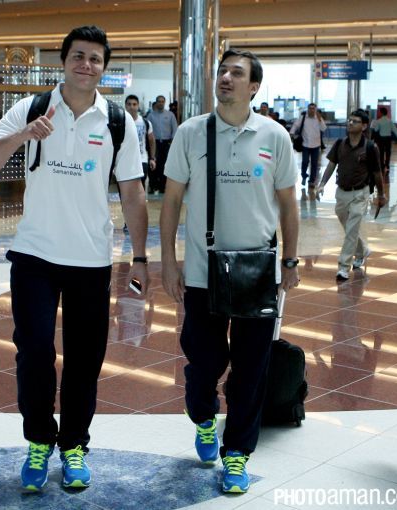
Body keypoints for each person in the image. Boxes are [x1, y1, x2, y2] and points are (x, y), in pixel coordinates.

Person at [0, 25, 149, 492]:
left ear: (104, 67)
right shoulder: (32, 108)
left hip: (90, 259)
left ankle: (74, 445)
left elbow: (133, 192)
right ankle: (38, 441)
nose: (85, 65)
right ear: (63, 61)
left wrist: (140, 256)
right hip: (34, 256)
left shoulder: (118, 121)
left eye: (95, 58)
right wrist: (24, 134)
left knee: (85, 359)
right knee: (33, 352)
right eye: (77, 56)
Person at [159, 48, 300, 494]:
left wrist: (290, 260)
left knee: (251, 368)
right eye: (222, 71)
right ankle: (203, 415)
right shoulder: (191, 132)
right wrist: (168, 261)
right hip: (203, 271)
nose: (226, 78)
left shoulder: (274, 136)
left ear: (253, 86)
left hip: (256, 270)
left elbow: (288, 204)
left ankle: (236, 452)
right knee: (204, 362)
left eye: (237, 73)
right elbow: (172, 200)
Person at [316, 109, 386, 282]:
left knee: (351, 229)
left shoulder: (370, 147)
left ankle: (343, 267)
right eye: (349, 120)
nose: (350, 123)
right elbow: (331, 165)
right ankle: (362, 250)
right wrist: (322, 183)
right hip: (341, 192)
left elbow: (377, 173)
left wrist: (381, 195)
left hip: (360, 193)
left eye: (355, 121)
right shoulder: (340, 144)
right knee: (349, 228)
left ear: (364, 126)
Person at [289, 102, 327, 192]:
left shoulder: (318, 118)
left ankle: (312, 181)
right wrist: (291, 133)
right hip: (305, 144)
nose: (311, 110)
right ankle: (304, 175)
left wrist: (320, 119)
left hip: (316, 145)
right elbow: (296, 125)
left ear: (315, 110)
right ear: (308, 109)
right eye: (310, 108)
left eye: (313, 109)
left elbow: (323, 128)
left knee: (314, 164)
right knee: (305, 162)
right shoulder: (303, 117)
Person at [147, 94, 178, 194]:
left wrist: (172, 142)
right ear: (156, 103)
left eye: (162, 101)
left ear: (164, 103)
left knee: (165, 165)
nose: (161, 103)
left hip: (166, 143)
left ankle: (162, 186)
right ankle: (153, 186)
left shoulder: (170, 115)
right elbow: (147, 130)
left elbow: (175, 129)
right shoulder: (151, 116)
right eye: (159, 101)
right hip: (155, 143)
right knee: (153, 164)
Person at [125, 94, 156, 188]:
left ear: (138, 106)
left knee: (140, 186)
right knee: (126, 187)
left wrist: (152, 158)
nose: (131, 107)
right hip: (125, 159)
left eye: (134, 104)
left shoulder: (145, 122)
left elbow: (151, 141)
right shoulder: (121, 121)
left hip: (142, 159)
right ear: (125, 105)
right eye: (129, 104)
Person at [370, 107, 397, 172]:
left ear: (381, 113)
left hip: (381, 139)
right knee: (388, 152)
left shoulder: (379, 121)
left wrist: (373, 127)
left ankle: (382, 164)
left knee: (381, 152)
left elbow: (376, 130)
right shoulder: (390, 121)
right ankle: (387, 164)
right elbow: (395, 129)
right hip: (388, 139)